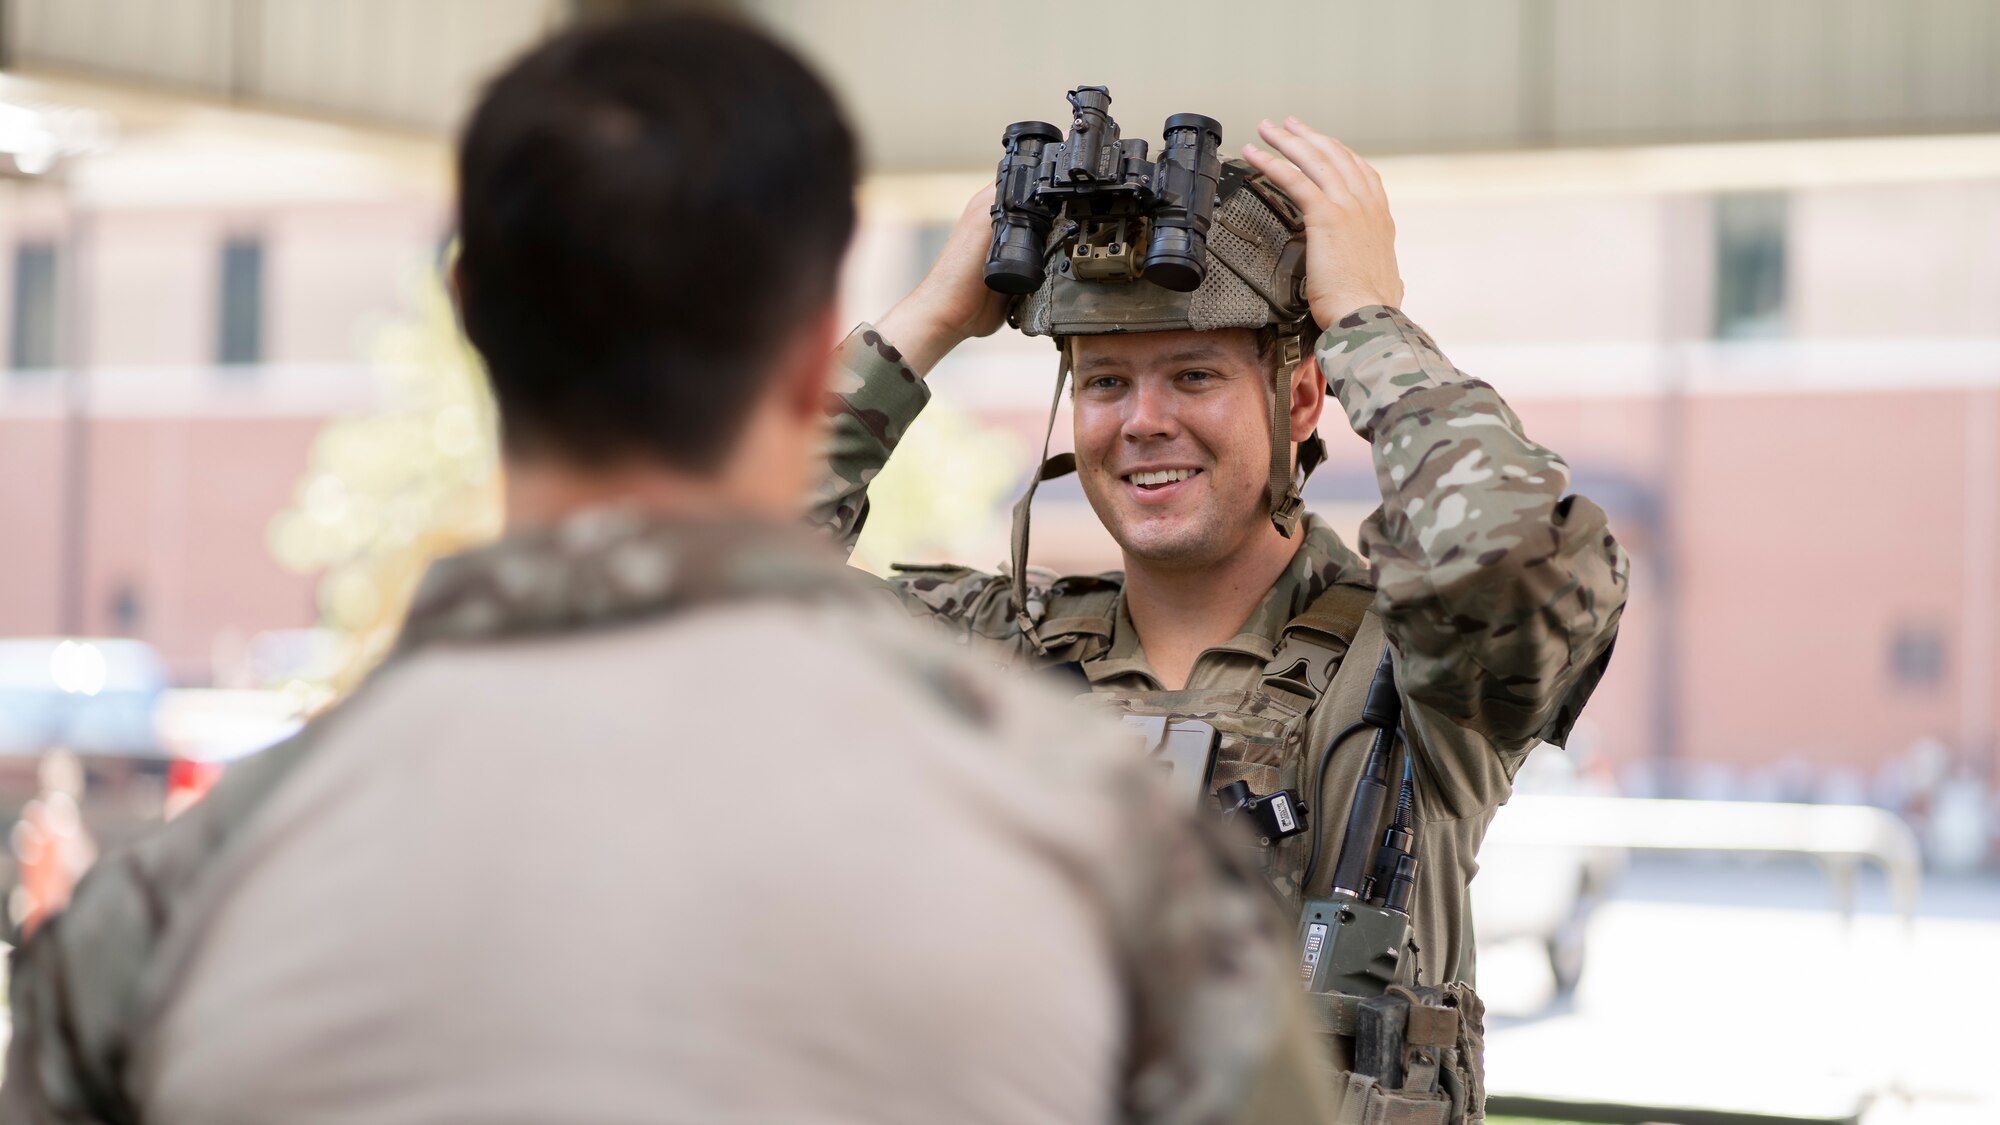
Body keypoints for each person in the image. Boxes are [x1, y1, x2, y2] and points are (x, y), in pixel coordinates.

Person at [0, 16, 1339, 1125]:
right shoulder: (1113, 864)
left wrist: (925, 317)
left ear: (468, 315)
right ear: (820, 352)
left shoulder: (176, 915)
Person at [813, 111, 1631, 1116]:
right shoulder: (985, 649)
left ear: (1297, 403)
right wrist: (927, 319)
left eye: (1193, 374)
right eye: (1105, 381)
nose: (1143, 421)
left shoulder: (1416, 666)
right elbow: (691, 592)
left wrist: (1363, 315)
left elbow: (1504, 544)